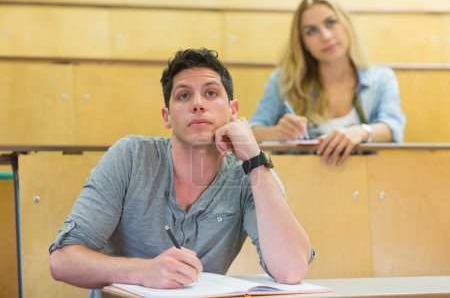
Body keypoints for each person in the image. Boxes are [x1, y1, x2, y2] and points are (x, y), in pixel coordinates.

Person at [49, 48, 315, 297]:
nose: (198, 104)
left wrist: (256, 161)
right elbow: (63, 261)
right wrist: (144, 272)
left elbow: (290, 270)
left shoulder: (251, 171)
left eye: (211, 93)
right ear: (167, 116)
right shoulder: (130, 156)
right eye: (184, 95)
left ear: (232, 111)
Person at [250, 0, 406, 166]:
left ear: (346, 25)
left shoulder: (381, 78)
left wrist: (360, 132)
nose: (326, 36)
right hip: (300, 181)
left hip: (366, 183)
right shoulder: (284, 80)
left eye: (331, 23)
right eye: (311, 31)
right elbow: (251, 132)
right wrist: (278, 132)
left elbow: (393, 127)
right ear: (304, 44)